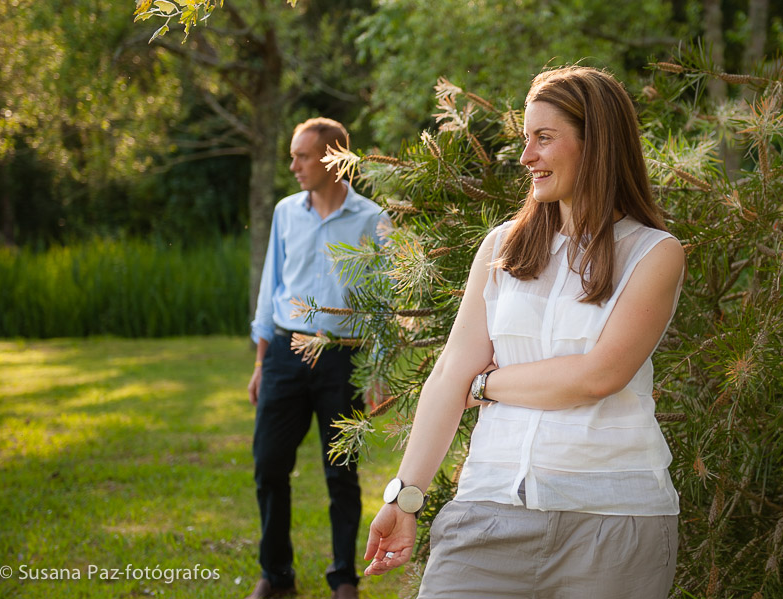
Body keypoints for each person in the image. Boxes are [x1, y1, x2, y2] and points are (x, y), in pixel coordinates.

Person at [363, 66, 686, 598]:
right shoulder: (501, 248)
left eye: (544, 138)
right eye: (524, 138)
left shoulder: (653, 253)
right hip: (489, 508)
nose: (525, 156)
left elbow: (597, 376)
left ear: (596, 144)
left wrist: (485, 385)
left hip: (613, 525)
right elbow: (449, 372)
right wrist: (404, 497)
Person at [246, 117, 387, 599]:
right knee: (268, 465)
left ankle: (344, 577)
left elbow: (385, 301)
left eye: (302, 156)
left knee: (341, 473)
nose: (294, 165)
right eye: (293, 155)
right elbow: (271, 288)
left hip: (343, 357)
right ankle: (275, 574)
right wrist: (263, 362)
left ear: (332, 160)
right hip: (287, 351)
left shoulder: (371, 219)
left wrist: (377, 372)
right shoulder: (286, 212)